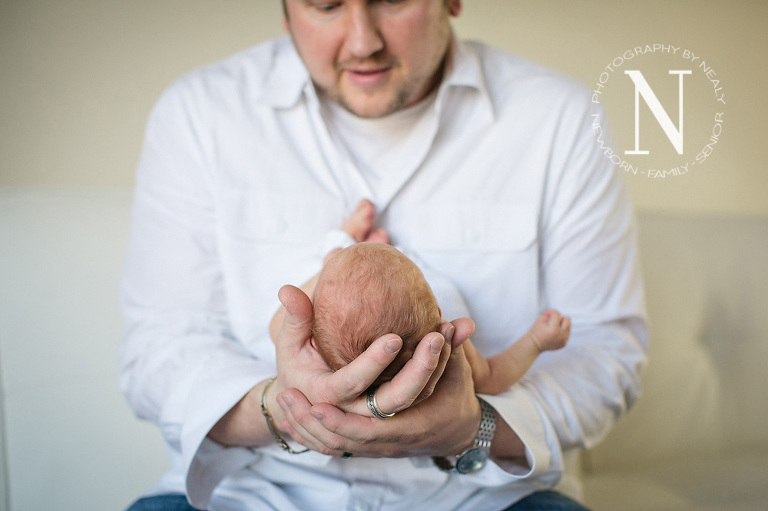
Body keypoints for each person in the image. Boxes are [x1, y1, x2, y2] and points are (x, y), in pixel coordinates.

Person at [120, 1, 648, 510]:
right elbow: (161, 349)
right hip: (253, 491)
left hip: (482, 494)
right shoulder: (200, 114)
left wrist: (474, 426)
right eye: (326, 5)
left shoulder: (559, 120)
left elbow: (606, 352)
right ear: (285, 10)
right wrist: (282, 410)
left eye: (392, 0)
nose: (362, 41)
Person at [269, 199, 571, 392]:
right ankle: (349, 256)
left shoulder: (322, 361)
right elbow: (492, 376)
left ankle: (341, 249)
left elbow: (279, 329)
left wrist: (334, 262)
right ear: (437, 311)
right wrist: (535, 342)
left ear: (312, 340)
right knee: (345, 274)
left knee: (338, 271)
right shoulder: (446, 340)